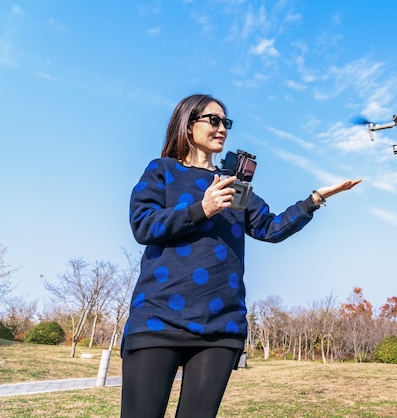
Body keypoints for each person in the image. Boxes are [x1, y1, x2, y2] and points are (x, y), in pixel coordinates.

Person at [120, 93, 361, 418]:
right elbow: (142, 225)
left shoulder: (235, 186)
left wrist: (315, 199)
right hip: (157, 317)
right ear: (188, 125)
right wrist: (201, 208)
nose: (222, 128)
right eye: (214, 120)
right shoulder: (162, 171)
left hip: (221, 325)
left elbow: (271, 228)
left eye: (226, 123)